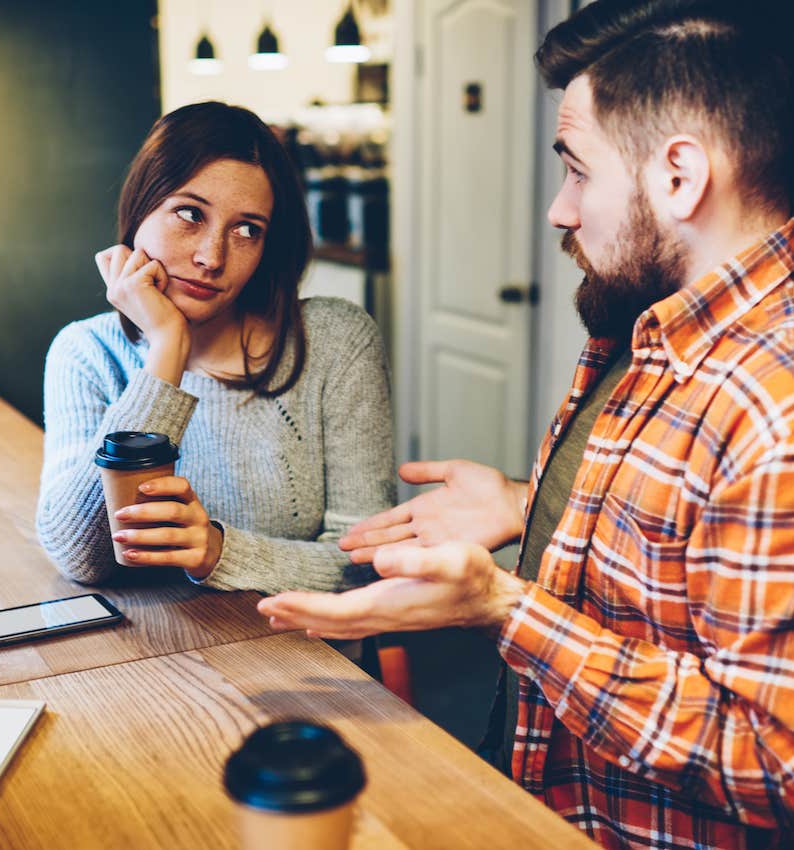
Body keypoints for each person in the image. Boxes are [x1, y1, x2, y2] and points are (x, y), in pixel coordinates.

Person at [257, 1, 794, 846]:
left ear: (680, 177)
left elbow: (770, 763)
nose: (560, 209)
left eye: (578, 171)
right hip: (536, 796)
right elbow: (680, 544)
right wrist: (530, 499)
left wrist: (502, 608)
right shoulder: (651, 320)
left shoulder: (774, 407)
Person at [36, 102, 395, 650]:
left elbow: (365, 567)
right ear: (140, 210)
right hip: (148, 665)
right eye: (189, 214)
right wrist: (166, 352)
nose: (211, 256)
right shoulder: (86, 351)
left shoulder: (335, 341)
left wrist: (217, 553)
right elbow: (79, 554)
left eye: (247, 229)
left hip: (308, 669)